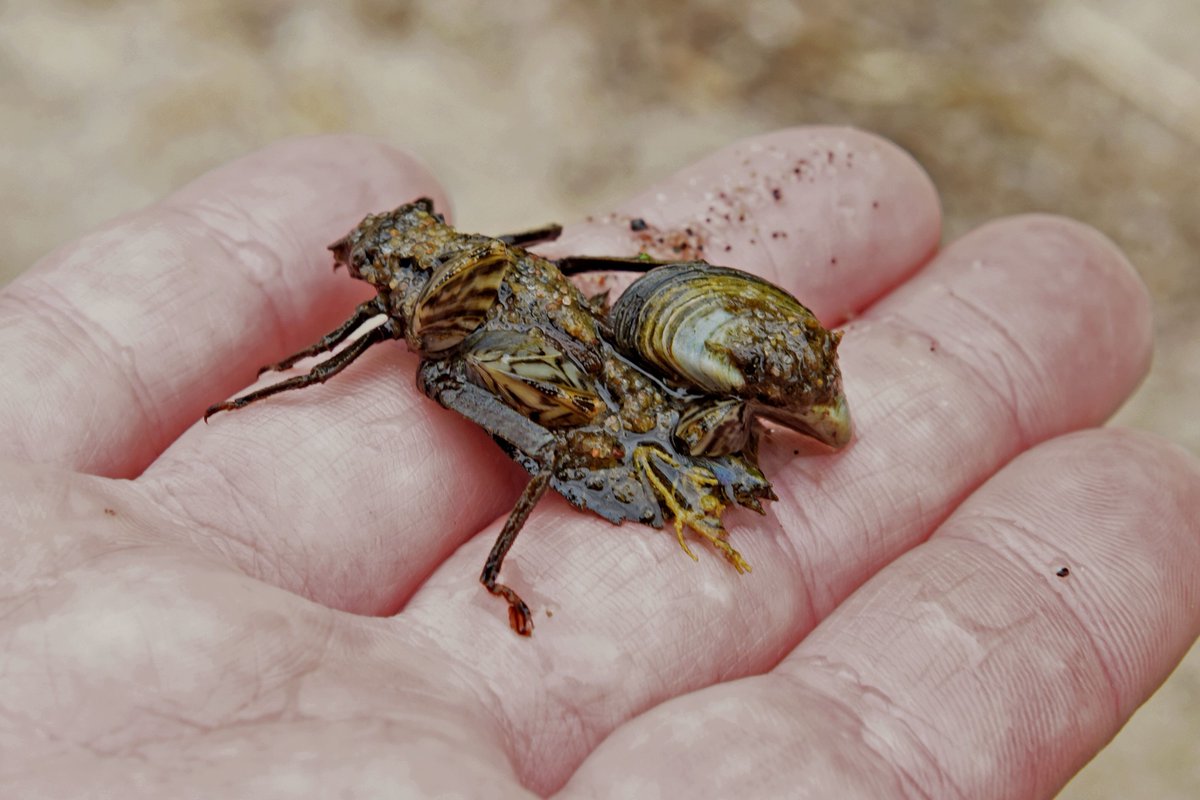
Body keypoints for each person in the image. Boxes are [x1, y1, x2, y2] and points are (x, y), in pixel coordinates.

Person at [0, 130, 1196, 797]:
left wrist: (265, 383)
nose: (387, 274)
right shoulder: (462, 315)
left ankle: (670, 476)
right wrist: (256, 389)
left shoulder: (481, 299)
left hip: (602, 375)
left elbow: (392, 330)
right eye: (391, 267)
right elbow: (360, 347)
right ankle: (658, 484)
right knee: (562, 419)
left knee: (583, 413)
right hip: (578, 383)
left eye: (393, 266)